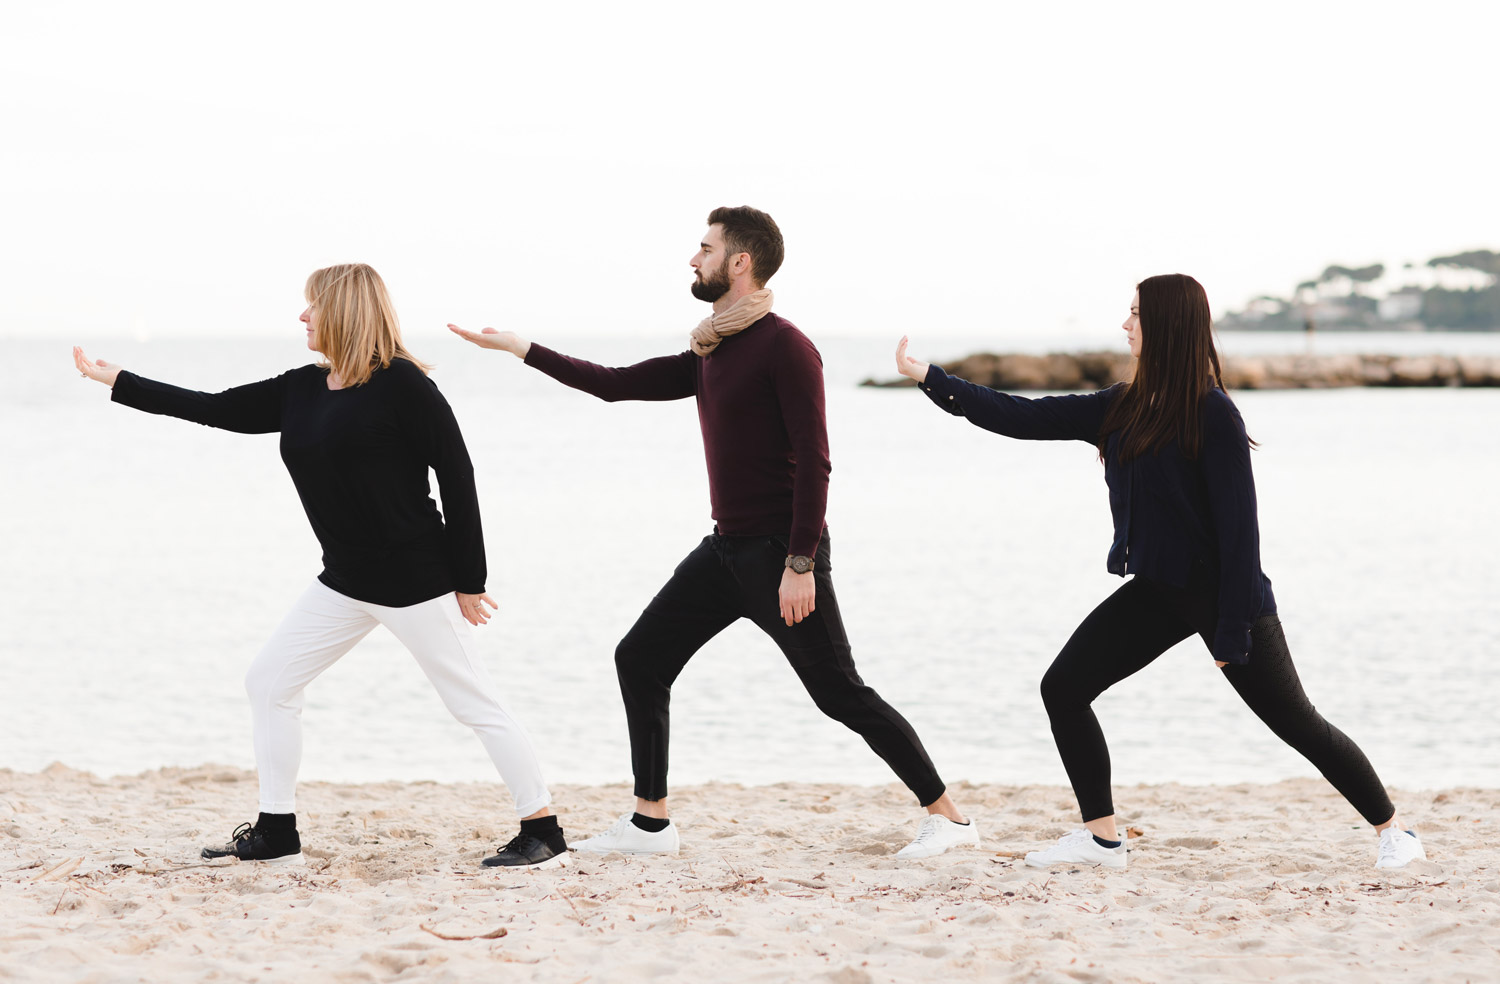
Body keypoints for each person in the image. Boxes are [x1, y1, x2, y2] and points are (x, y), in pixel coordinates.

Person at [448, 206, 978, 859]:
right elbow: (615, 386)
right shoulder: (712, 349)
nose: (692, 258)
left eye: (704, 248)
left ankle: (949, 817)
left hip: (780, 555)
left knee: (839, 691)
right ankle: (651, 822)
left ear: (740, 261)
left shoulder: (786, 346)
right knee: (639, 658)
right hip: (726, 551)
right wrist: (521, 349)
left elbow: (815, 458)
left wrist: (801, 561)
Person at [893, 273, 1424, 871]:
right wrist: (932, 379)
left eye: (1136, 314)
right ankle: (1101, 839)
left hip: (1226, 596)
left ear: (1167, 325)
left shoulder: (1212, 414)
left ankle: (1395, 831)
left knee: (1296, 721)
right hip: (1158, 591)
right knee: (1064, 689)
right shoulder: (1121, 407)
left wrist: (1231, 631)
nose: (1125, 324)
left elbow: (1240, 537)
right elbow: (1020, 415)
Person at [72, 263, 568, 869]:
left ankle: (542, 827)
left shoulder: (405, 386)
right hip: (344, 581)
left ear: (344, 313)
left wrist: (470, 580)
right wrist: (121, 381)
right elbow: (216, 408)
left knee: (473, 704)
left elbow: (457, 476)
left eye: (312, 306)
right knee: (270, 683)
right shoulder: (302, 388)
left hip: (416, 583)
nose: (303, 317)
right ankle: (277, 831)